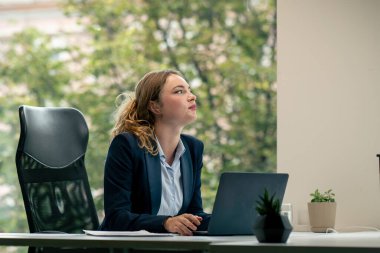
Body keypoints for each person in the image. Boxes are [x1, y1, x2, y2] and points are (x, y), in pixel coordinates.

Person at [99, 69, 210, 236]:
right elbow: (116, 217)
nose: (192, 96)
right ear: (155, 106)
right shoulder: (127, 145)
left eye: (189, 90)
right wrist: (166, 223)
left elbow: (195, 214)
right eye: (179, 91)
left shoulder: (193, 149)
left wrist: (232, 219)